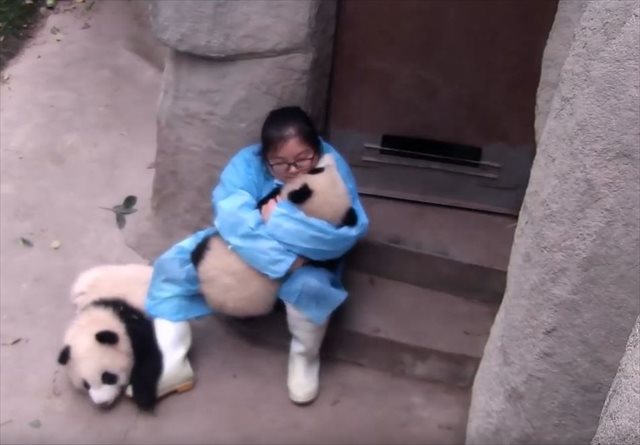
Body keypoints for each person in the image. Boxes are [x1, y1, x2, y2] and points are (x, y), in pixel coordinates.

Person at [141, 106, 369, 405]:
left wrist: (276, 219)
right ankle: (171, 362)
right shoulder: (246, 163)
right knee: (175, 264)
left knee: (312, 289)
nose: (293, 169)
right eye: (280, 163)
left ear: (317, 148)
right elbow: (232, 219)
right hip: (261, 255)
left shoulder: (331, 164)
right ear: (264, 157)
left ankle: (304, 357)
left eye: (303, 159)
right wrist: (285, 260)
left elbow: (344, 233)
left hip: (308, 262)